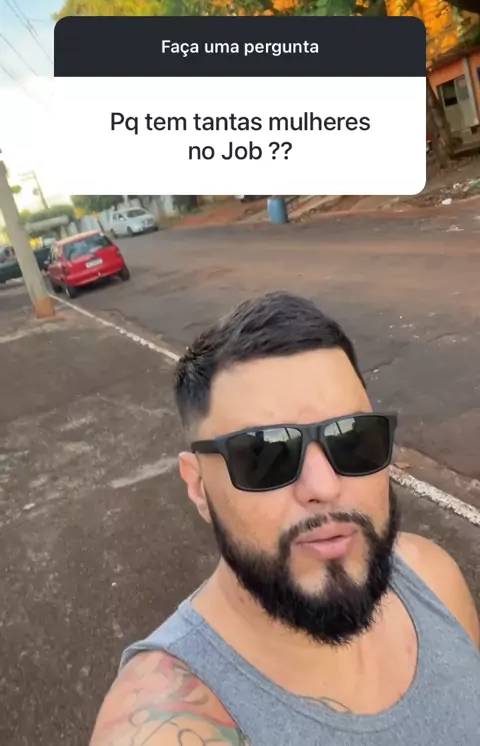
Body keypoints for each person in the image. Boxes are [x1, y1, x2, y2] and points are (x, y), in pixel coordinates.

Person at [90, 292, 480, 746]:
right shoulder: (162, 726)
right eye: (266, 454)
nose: (324, 487)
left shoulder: (432, 577)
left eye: (353, 438)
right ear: (197, 486)